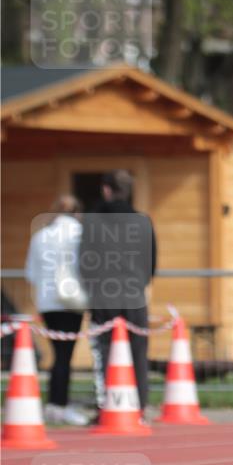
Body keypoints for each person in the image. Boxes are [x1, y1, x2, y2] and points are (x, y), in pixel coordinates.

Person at [79, 170, 157, 419]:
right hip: (133, 292)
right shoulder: (142, 221)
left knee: (103, 351)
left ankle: (106, 408)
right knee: (137, 352)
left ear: (106, 189)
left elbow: (84, 259)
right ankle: (140, 407)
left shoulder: (92, 220)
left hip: (103, 293)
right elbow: (151, 261)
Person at [24, 195, 88, 425]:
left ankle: (53, 404)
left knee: (57, 354)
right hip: (71, 302)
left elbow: (30, 273)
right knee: (65, 355)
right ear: (77, 213)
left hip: (47, 303)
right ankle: (60, 405)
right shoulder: (80, 234)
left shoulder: (40, 235)